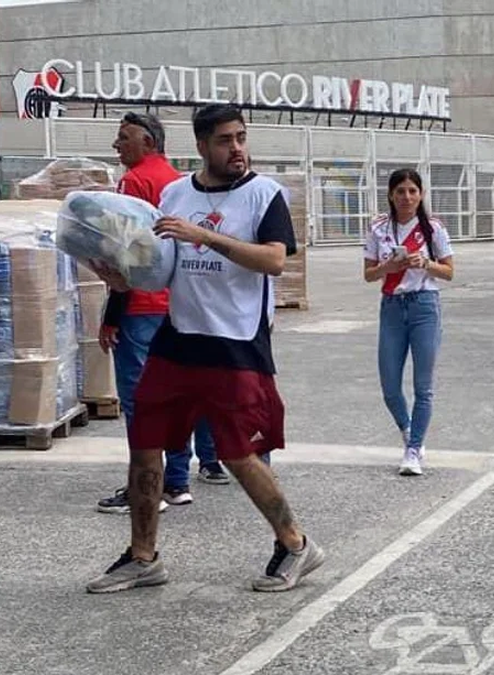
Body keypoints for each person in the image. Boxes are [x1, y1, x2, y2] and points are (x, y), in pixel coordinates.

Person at [85, 103, 324, 594]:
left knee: (239, 456)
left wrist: (203, 235)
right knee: (144, 445)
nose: (236, 148)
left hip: (235, 344)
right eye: (224, 140)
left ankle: (297, 545)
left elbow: (275, 261)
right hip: (178, 339)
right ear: (201, 146)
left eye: (240, 138)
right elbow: (163, 267)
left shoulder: (264, 195)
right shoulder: (175, 193)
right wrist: (121, 276)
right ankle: (143, 556)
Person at [94, 112, 226, 517]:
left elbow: (125, 253)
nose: (117, 146)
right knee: (183, 390)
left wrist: (112, 313)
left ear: (148, 142)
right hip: (180, 302)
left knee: (140, 398)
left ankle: (151, 483)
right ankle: (186, 474)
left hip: (141, 304)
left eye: (124, 138)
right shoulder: (177, 182)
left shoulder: (133, 183)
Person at [363, 168, 455, 476]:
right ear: (390, 194)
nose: (406, 197)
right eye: (400, 191)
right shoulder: (379, 228)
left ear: (421, 194)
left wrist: (425, 263)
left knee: (423, 386)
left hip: (424, 306)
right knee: (390, 385)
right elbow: (368, 274)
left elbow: (449, 271)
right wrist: (390, 265)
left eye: (413, 191)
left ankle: (413, 449)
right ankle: (407, 429)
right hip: (391, 307)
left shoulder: (433, 228)